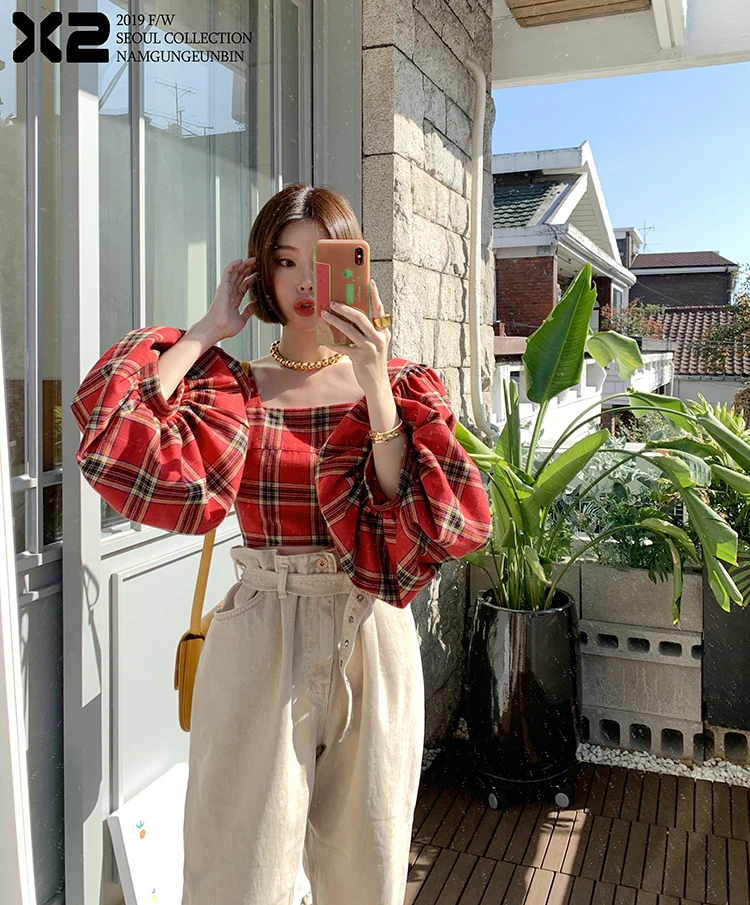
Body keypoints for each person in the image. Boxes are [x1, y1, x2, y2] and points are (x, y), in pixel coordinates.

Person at [70, 183, 492, 905]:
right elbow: (120, 432)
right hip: (262, 628)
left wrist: (375, 384)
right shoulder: (234, 386)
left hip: (370, 630)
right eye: (284, 261)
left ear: (351, 264)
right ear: (262, 273)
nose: (302, 282)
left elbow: (407, 514)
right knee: (238, 875)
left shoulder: (397, 384)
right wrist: (206, 329)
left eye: (319, 261)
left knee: (367, 875)